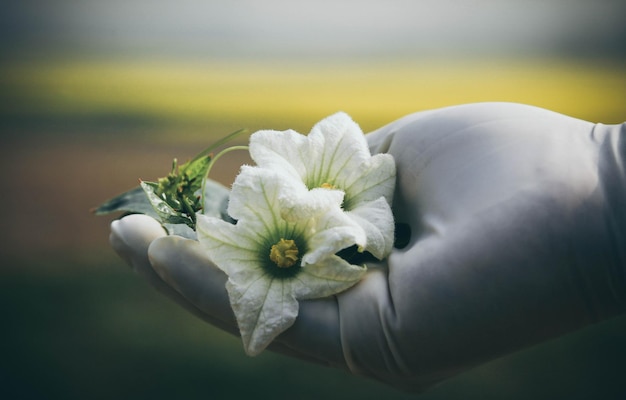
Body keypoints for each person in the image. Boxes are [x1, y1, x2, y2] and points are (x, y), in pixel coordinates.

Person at [109, 102, 626, 393]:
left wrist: (607, 177)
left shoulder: (364, 193)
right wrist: (607, 183)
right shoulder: (298, 193)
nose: (284, 255)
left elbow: (369, 191)